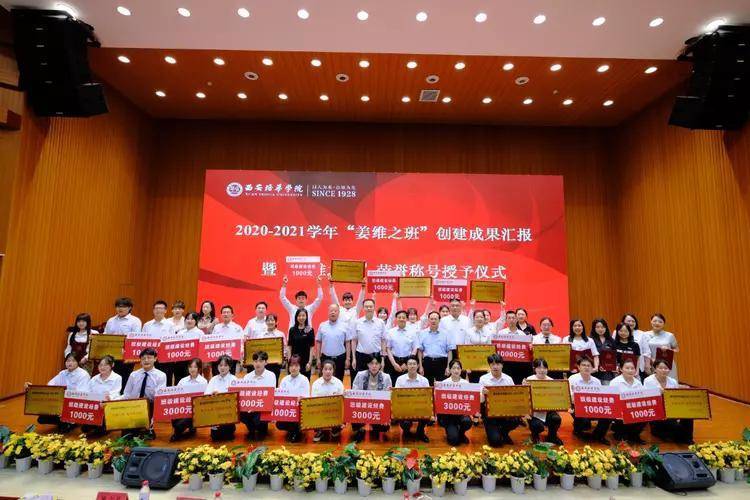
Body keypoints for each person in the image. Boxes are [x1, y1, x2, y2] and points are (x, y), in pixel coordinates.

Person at [25, 352, 90, 432]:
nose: (70, 363)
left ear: (78, 362)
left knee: (60, 424)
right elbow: (50, 385)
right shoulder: (63, 373)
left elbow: (82, 394)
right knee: (41, 418)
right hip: (62, 402)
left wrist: (64, 399)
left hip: (75, 404)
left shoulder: (83, 374)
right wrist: (32, 388)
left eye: (73, 361)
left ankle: (71, 422)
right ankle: (64, 422)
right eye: (68, 361)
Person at [644, 359, 694, 444]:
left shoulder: (672, 381)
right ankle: (679, 436)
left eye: (666, 368)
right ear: (655, 369)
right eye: (660, 368)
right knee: (672, 427)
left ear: (669, 370)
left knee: (688, 414)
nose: (663, 370)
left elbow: (676, 397)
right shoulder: (648, 381)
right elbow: (647, 399)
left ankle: (688, 438)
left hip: (671, 409)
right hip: (656, 411)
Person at [121, 348, 167, 438]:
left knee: (143, 435)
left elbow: (159, 397)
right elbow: (126, 394)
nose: (146, 360)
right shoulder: (133, 375)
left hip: (150, 405)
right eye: (143, 358)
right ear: (140, 360)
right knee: (127, 435)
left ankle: (149, 427)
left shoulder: (161, 375)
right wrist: (113, 400)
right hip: (133, 405)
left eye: (149, 358)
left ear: (155, 359)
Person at [568, 356, 611, 445]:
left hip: (594, 408)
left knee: (608, 415)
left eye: (588, 366)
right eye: (583, 365)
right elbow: (570, 397)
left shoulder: (597, 381)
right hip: (577, 407)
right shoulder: (572, 379)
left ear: (592, 368)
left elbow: (600, 398)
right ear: (579, 367)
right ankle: (577, 430)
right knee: (584, 422)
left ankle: (599, 435)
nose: (586, 367)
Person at [478, 354, 519, 446]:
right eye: (492, 364)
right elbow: (480, 401)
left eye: (498, 364)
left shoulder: (508, 379)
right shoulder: (483, 379)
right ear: (489, 365)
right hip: (490, 414)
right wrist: (483, 394)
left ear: (502, 365)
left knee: (516, 419)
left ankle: (504, 432)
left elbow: (514, 398)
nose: (495, 367)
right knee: (496, 442)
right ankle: (496, 432)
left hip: (505, 412)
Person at [350, 354, 392, 442]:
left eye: (377, 363)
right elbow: (354, 393)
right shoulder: (360, 375)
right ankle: (360, 429)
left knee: (383, 427)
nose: (374, 366)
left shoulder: (386, 377)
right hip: (363, 408)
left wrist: (386, 416)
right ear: (368, 364)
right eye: (371, 363)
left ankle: (375, 427)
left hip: (378, 409)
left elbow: (388, 397)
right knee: (354, 412)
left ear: (380, 365)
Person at [523, 358, 563, 445]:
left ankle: (552, 436)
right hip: (534, 412)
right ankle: (535, 435)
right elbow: (524, 398)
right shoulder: (529, 380)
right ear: (534, 369)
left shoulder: (551, 381)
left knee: (556, 419)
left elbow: (555, 398)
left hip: (548, 410)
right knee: (537, 426)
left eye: (544, 368)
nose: (542, 370)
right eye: (539, 367)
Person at [104, 297, 142, 386]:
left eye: (123, 306)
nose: (120, 309)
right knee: (111, 378)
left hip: (126, 355)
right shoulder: (111, 320)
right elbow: (105, 336)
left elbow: (135, 339)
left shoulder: (135, 321)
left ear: (129, 308)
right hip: (111, 354)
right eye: (118, 306)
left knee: (124, 379)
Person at [239, 351, 277, 439]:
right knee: (241, 412)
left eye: (261, 361)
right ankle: (251, 429)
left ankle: (261, 428)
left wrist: (256, 407)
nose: (258, 363)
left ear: (266, 362)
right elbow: (245, 395)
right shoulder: (247, 376)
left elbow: (270, 396)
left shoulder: (271, 375)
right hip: (250, 407)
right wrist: (250, 406)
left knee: (261, 428)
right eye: (255, 361)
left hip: (263, 406)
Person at [82, 355, 121, 436]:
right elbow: (87, 392)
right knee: (85, 428)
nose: (102, 367)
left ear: (112, 365)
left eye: (105, 365)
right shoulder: (94, 379)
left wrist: (109, 398)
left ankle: (105, 426)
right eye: (100, 365)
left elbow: (116, 393)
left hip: (108, 407)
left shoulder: (117, 378)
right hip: (95, 407)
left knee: (98, 431)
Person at [394, 355, 430, 442]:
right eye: (410, 364)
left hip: (419, 408)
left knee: (428, 412)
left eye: (414, 364)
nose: (412, 366)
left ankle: (420, 432)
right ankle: (406, 432)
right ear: (406, 366)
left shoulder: (424, 380)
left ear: (418, 365)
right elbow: (396, 397)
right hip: (405, 409)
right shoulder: (400, 379)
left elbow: (428, 399)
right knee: (405, 422)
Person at [437, 359, 473, 446]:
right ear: (450, 370)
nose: (456, 370)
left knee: (467, 421)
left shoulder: (465, 383)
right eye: (453, 368)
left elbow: (470, 400)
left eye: (458, 368)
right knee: (453, 441)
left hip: (461, 414)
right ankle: (451, 431)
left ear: (461, 370)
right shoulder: (444, 383)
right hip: (449, 416)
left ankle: (461, 433)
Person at [610, 359, 646, 444]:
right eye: (627, 368)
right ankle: (619, 433)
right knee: (623, 437)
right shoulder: (615, 382)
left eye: (632, 368)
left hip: (634, 410)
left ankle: (634, 435)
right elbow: (612, 401)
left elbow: (642, 398)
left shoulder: (638, 383)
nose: (630, 370)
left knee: (646, 414)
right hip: (620, 412)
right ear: (621, 369)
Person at [170, 358, 207, 442]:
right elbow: (176, 394)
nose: (192, 369)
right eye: (190, 367)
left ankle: (178, 433)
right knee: (173, 415)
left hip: (196, 409)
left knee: (179, 425)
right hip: (183, 408)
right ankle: (184, 429)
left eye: (195, 367)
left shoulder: (203, 382)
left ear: (199, 369)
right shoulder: (183, 380)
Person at [276, 355, 310, 442]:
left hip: (300, 410)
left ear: (300, 367)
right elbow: (280, 396)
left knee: (298, 420)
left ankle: (296, 432)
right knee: (279, 424)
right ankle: (292, 431)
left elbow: (307, 397)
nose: (293, 368)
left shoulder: (304, 379)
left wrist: (302, 398)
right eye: (291, 366)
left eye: (296, 365)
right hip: (288, 410)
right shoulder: (284, 379)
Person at [351, 299, 386, 382]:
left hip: (376, 357)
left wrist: (382, 359)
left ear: (374, 308)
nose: (369, 308)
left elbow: (383, 341)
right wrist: (354, 358)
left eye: (371, 306)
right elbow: (354, 341)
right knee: (360, 381)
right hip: (361, 356)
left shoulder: (380, 323)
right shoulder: (357, 322)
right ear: (363, 308)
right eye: (366, 307)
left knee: (376, 382)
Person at [163, 311, 202, 386]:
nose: (189, 321)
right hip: (179, 362)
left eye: (192, 319)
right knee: (178, 382)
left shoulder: (200, 333)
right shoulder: (180, 333)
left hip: (193, 363)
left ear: (196, 321)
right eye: (187, 319)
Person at [310, 359, 345, 442]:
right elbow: (313, 402)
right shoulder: (316, 383)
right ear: (322, 370)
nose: (328, 372)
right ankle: (319, 431)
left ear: (333, 371)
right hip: (320, 411)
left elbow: (341, 402)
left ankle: (335, 429)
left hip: (334, 412)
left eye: (330, 369)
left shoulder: (338, 383)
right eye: (325, 369)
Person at [316, 304, 353, 381]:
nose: (333, 312)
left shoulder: (345, 326)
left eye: (335, 311)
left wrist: (348, 359)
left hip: (340, 358)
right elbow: (318, 342)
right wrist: (318, 358)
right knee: (324, 380)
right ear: (328, 312)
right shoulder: (322, 325)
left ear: (339, 313)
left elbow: (348, 343)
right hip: (325, 358)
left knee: (339, 381)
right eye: (331, 311)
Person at [204, 354, 237, 440]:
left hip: (228, 412)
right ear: (217, 366)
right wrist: (212, 395)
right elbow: (206, 395)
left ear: (230, 367)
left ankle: (231, 427)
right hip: (215, 412)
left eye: (225, 365)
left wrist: (220, 395)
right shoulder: (213, 379)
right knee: (215, 437)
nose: (222, 368)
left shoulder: (234, 379)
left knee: (228, 436)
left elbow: (234, 398)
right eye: (220, 365)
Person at [418, 311, 453, 386]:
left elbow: (449, 351)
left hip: (442, 363)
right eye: (431, 319)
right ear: (428, 320)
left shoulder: (446, 333)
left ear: (439, 320)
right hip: (427, 362)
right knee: (427, 386)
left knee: (442, 386)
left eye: (435, 319)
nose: (433, 321)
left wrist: (448, 367)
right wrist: (420, 366)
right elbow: (420, 351)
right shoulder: (422, 333)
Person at [250, 313, 286, 382]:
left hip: (276, 364)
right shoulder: (260, 335)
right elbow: (257, 349)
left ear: (276, 322)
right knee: (262, 382)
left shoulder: (280, 334)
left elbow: (284, 349)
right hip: (262, 363)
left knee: (274, 382)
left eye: (272, 320)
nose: (270, 322)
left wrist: (282, 359)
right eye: (268, 320)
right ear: (266, 322)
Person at [385, 310, 419, 382]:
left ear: (406, 319)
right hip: (394, 360)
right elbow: (388, 348)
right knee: (393, 383)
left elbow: (415, 348)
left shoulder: (412, 332)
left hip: (408, 361)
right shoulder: (391, 332)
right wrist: (394, 364)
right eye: (399, 317)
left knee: (408, 383)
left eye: (403, 317)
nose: (401, 319)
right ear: (396, 319)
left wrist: (407, 363)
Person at [645, 313, 679, 380]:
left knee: (670, 384)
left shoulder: (670, 335)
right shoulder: (645, 335)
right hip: (653, 364)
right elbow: (644, 351)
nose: (657, 323)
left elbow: (677, 349)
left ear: (664, 324)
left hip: (668, 364)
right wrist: (649, 360)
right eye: (655, 321)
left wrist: (669, 349)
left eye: (660, 322)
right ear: (651, 322)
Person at [288, 308, 316, 379]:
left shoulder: (310, 329)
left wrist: (310, 362)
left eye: (303, 315)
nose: (301, 318)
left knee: (305, 380)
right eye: (299, 316)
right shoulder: (292, 330)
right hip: (294, 361)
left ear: (306, 317)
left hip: (305, 361)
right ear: (296, 317)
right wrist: (290, 361)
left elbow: (312, 347)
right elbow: (289, 346)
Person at [621, 313, 651, 379]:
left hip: (638, 366)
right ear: (623, 322)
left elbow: (646, 351)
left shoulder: (641, 334)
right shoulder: (617, 332)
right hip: (621, 366)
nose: (631, 323)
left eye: (633, 321)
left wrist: (647, 365)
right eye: (629, 321)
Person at [591, 318, 615, 384]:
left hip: (607, 373)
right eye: (598, 327)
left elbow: (614, 356)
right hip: (594, 373)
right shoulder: (590, 340)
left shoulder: (611, 340)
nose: (600, 329)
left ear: (606, 328)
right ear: (594, 328)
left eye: (602, 327)